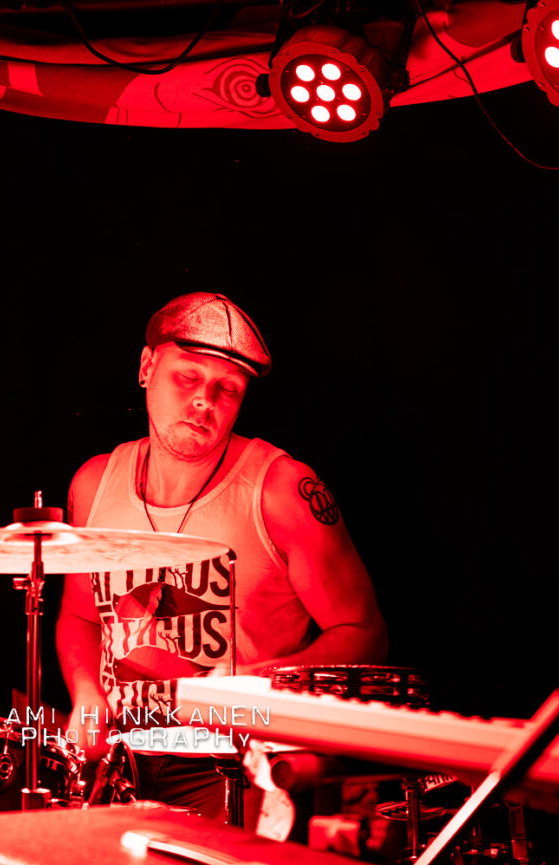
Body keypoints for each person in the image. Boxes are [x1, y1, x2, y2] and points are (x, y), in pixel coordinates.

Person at [55, 292, 387, 819]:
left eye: (226, 388)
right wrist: (86, 696)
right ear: (146, 367)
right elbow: (78, 617)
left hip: (237, 765)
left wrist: (257, 682)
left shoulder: (281, 490)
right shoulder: (94, 484)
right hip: (120, 763)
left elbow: (364, 634)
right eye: (187, 377)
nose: (203, 401)